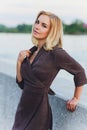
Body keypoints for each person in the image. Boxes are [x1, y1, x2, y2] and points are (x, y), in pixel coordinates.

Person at [12, 10, 87, 130]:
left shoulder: (56, 53)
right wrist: (19, 62)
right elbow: (22, 84)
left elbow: (80, 72)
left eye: (44, 25)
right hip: (23, 110)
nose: (37, 26)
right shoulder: (32, 51)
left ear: (52, 31)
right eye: (37, 22)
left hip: (38, 111)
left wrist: (76, 98)